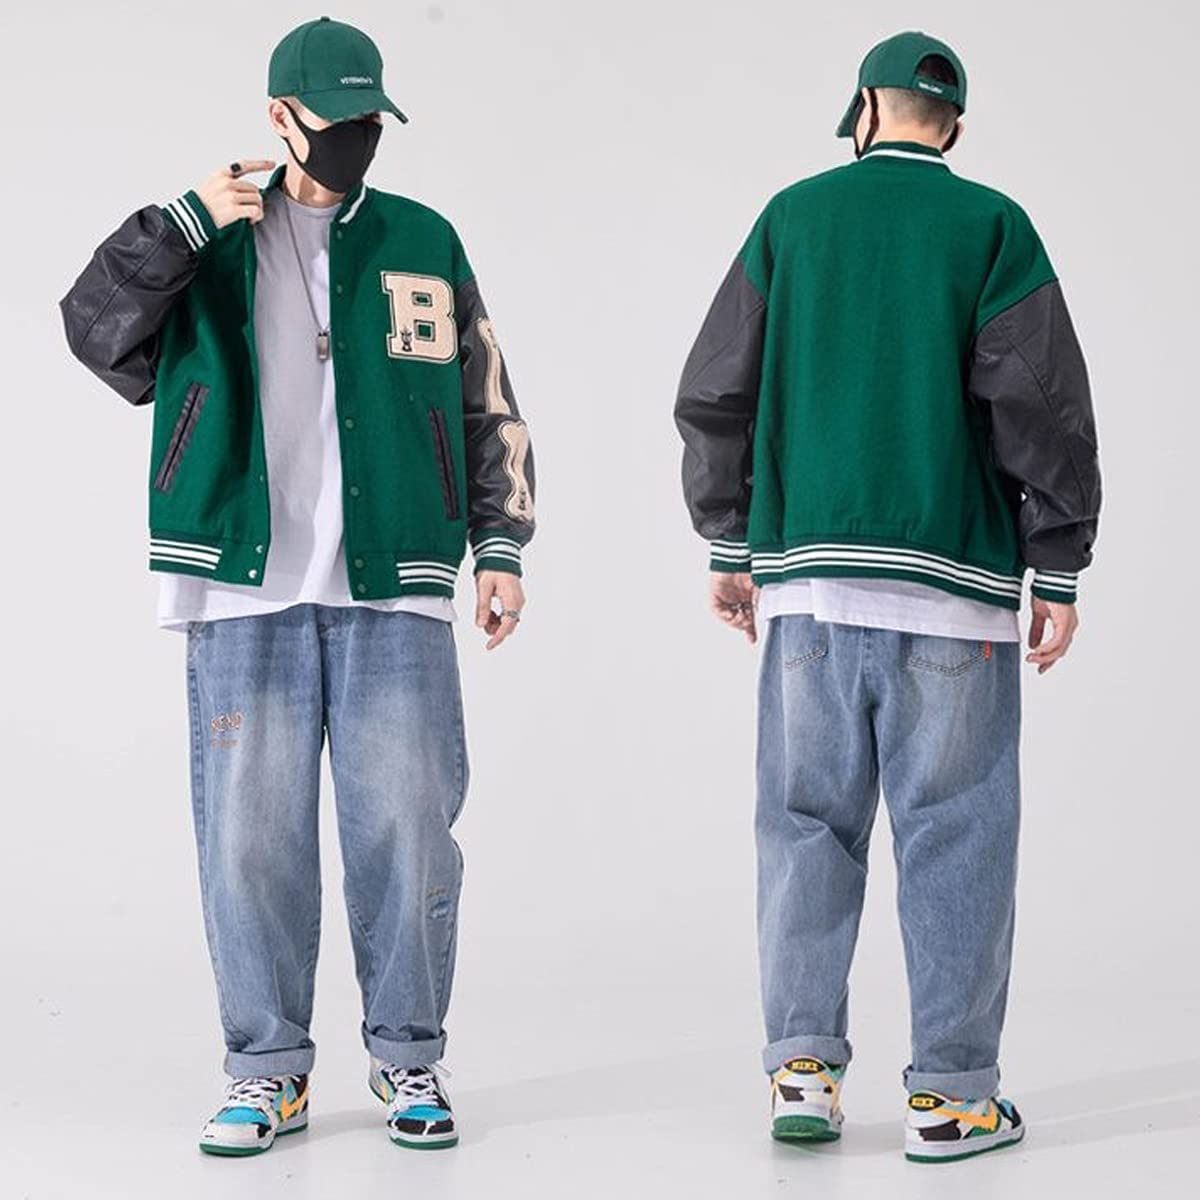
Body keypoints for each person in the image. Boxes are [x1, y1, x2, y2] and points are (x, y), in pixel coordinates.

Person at [61, 15, 535, 1157]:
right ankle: (265, 1071)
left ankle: (409, 1055)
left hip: (397, 580)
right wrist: (179, 225)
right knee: (249, 843)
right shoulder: (206, 236)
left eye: (373, 121)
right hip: (243, 586)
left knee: (410, 833)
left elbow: (484, 397)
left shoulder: (422, 238)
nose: (358, 139)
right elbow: (94, 334)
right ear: (280, 118)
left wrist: (502, 544)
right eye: (339, 121)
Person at [674, 30, 1100, 1163]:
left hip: (808, 591)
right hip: (955, 595)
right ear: (952, 123)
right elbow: (1042, 405)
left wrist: (729, 542)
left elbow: (715, 391)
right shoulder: (992, 227)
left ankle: (803, 1076)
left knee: (805, 825)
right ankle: (952, 1100)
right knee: (957, 835)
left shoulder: (792, 219)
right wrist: (1057, 561)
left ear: (864, 109)